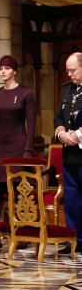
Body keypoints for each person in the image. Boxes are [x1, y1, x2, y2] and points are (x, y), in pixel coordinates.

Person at [0, 55, 36, 249]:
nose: (2, 71)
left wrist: (28, 151)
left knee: (19, 190)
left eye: (6, 68)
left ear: (15, 71)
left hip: (18, 146)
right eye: (0, 68)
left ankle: (23, 232)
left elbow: (31, 125)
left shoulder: (26, 93)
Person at [54, 52, 82, 254]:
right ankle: (73, 239)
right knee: (71, 200)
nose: (70, 74)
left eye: (73, 70)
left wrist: (78, 136)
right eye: (68, 71)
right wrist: (62, 134)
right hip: (69, 155)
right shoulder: (66, 90)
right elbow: (58, 116)